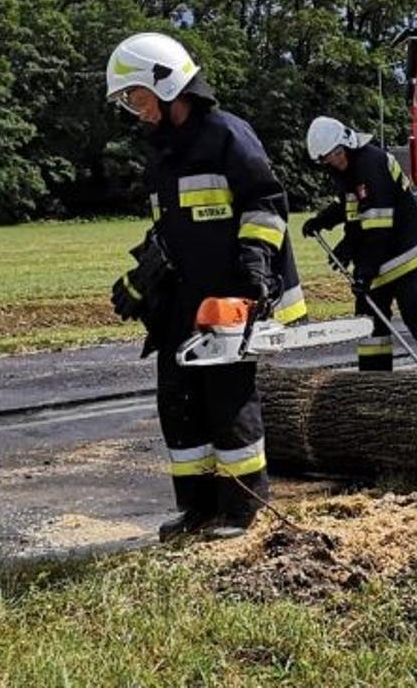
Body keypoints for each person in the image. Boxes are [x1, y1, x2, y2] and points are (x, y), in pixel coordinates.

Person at [105, 31, 307, 541]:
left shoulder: (225, 134)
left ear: (165, 83)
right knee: (177, 398)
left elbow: (264, 202)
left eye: (136, 95)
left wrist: (256, 263)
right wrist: (142, 275)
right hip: (181, 298)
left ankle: (243, 506)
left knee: (227, 397)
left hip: (230, 292)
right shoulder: (162, 153)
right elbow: (169, 229)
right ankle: (196, 506)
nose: (134, 108)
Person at [301, 116, 417, 372]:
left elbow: (378, 230)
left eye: (337, 155)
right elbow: (352, 209)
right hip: (377, 256)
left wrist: (363, 273)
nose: (335, 162)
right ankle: (374, 382)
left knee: (415, 313)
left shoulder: (370, 165)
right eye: (329, 159)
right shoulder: (348, 170)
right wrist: (323, 222)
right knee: (369, 321)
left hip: (403, 255)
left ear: (348, 144)